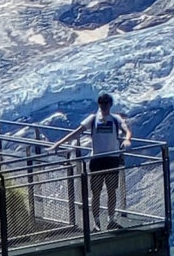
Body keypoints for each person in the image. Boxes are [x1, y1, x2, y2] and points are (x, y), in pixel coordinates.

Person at [54, 94, 133, 229]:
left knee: (111, 191)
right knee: (96, 192)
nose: (104, 106)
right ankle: (96, 222)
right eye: (102, 104)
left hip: (111, 159)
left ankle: (110, 220)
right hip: (97, 159)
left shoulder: (115, 119)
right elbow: (76, 132)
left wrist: (127, 139)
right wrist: (58, 143)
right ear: (99, 105)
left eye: (106, 104)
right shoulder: (92, 119)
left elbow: (127, 130)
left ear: (110, 105)